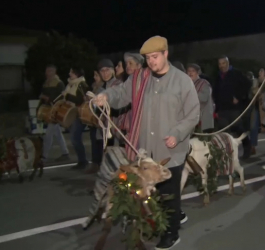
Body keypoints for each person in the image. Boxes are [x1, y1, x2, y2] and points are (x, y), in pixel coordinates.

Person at [94, 36, 200, 250]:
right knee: (149, 194)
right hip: (144, 150)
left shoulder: (182, 81)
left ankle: (172, 234)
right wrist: (105, 96)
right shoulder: (139, 79)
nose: (151, 62)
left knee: (169, 193)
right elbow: (120, 93)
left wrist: (177, 133)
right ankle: (158, 223)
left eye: (155, 57)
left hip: (170, 150)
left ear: (165, 54)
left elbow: (193, 114)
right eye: (148, 58)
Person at [213, 55, 252, 159]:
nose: (222, 66)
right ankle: (226, 155)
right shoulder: (218, 76)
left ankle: (247, 149)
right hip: (222, 109)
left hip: (234, 108)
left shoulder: (236, 73)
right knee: (224, 133)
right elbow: (216, 93)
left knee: (239, 129)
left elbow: (248, 84)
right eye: (220, 64)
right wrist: (216, 109)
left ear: (228, 63)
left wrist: (238, 97)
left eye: (223, 63)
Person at [39, 64, 70, 162]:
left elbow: (60, 98)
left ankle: (44, 156)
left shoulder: (59, 83)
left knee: (49, 134)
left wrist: (46, 98)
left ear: (54, 72)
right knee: (57, 133)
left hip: (55, 111)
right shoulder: (47, 83)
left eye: (50, 71)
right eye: (47, 71)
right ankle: (65, 153)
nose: (47, 73)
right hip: (50, 111)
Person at [63, 66, 89, 169]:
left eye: (72, 72)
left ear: (77, 74)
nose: (70, 74)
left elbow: (81, 100)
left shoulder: (81, 84)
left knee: (75, 139)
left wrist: (67, 96)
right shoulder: (71, 84)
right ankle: (81, 161)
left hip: (78, 114)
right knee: (75, 139)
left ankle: (83, 161)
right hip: (70, 114)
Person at [186, 63, 214, 133]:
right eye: (189, 71)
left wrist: (190, 93)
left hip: (203, 119)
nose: (190, 73)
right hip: (191, 119)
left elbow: (204, 98)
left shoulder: (204, 83)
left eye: (193, 71)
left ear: (198, 73)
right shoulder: (186, 85)